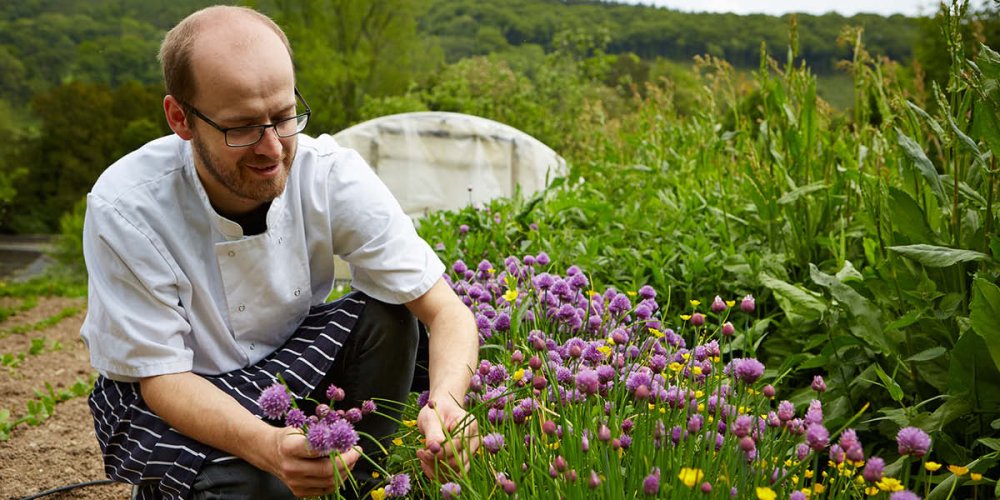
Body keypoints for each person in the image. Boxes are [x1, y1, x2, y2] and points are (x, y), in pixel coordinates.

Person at [80, 5, 479, 499]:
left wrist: (447, 404)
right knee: (252, 485)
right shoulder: (127, 206)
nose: (272, 148)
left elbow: (446, 311)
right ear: (180, 118)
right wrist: (267, 447)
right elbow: (162, 378)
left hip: (284, 363)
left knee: (391, 314)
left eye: (284, 116)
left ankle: (363, 483)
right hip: (175, 388)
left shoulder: (329, 174)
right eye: (242, 127)